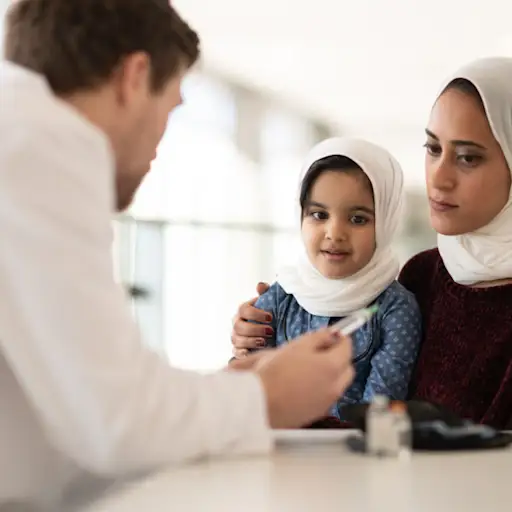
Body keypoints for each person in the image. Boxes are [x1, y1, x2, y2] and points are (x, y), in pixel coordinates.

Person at [0, 1, 354, 510]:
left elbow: (76, 411)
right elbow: (117, 423)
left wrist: (224, 391)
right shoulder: (49, 141)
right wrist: (266, 399)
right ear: (134, 77)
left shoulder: (20, 132)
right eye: (170, 109)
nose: (159, 147)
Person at [232, 57, 512, 430]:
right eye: (432, 149)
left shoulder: (401, 302)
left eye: (467, 158)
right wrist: (249, 341)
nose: (439, 178)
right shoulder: (424, 274)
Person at [242, 137, 421, 418]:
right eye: (319, 214)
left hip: (352, 456)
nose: (334, 233)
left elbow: (377, 413)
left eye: (358, 219)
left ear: (386, 223)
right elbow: (245, 390)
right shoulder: (280, 296)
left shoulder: (395, 308)